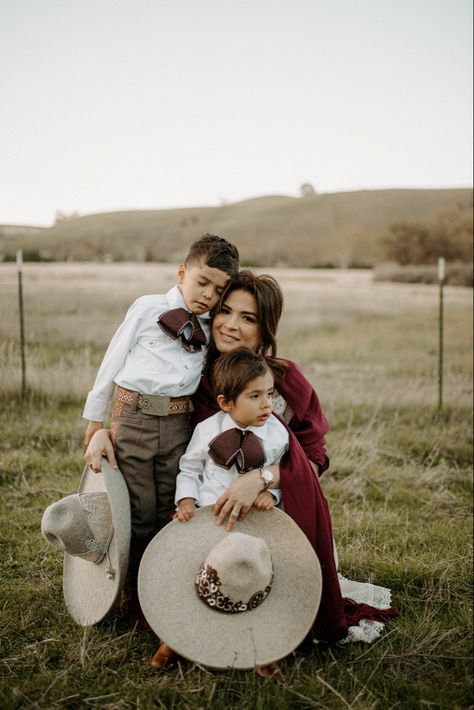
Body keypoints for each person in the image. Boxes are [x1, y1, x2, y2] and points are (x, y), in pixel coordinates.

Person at [85, 269, 397, 648]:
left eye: (247, 318)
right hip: (203, 509)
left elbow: (314, 458)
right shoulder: (190, 376)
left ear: (265, 330)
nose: (230, 325)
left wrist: (261, 479)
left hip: (275, 512)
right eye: (225, 311)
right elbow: (140, 403)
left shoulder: (283, 380)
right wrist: (103, 429)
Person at [82, 234, 239, 625]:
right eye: (202, 282)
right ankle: (129, 596)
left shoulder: (211, 327)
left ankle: (163, 591)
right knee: (137, 510)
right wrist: (95, 420)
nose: (207, 295)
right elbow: (112, 360)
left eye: (218, 290)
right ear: (183, 272)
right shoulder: (148, 308)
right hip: (132, 418)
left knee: (174, 507)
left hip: (177, 424)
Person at [175, 347, 287, 523]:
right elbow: (190, 469)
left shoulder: (278, 434)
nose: (267, 404)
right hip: (209, 514)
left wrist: (271, 494)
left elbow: (284, 471)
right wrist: (186, 500)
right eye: (255, 396)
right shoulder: (207, 430)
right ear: (226, 403)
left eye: (270, 394)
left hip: (253, 518)